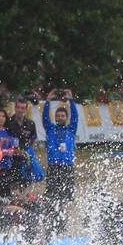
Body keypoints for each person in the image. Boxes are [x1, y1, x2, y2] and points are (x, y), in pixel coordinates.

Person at [42, 90, 79, 231]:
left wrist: (71, 101)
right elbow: (45, 118)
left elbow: (75, 118)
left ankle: (64, 222)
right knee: (52, 196)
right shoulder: (50, 129)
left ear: (66, 117)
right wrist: (47, 102)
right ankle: (52, 220)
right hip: (53, 167)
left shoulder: (71, 130)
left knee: (66, 197)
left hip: (67, 168)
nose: (60, 117)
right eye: (57, 115)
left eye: (62, 115)